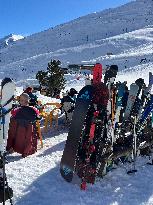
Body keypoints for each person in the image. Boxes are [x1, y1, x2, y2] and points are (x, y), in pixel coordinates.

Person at [7, 93, 40, 157]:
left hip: (18, 130)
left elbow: (12, 115)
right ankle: (26, 150)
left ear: (20, 101)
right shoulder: (34, 109)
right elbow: (38, 116)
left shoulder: (17, 109)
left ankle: (12, 147)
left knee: (12, 127)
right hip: (29, 130)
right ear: (28, 101)